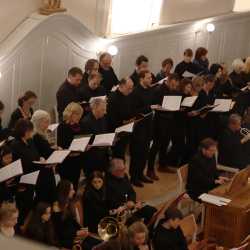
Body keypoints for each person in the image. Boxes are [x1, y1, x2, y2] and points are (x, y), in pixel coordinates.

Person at [148, 73, 181, 175]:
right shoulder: (159, 90)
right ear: (168, 80)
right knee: (156, 145)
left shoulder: (174, 90)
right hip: (159, 120)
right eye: (172, 85)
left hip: (170, 120)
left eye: (175, 85)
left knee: (165, 144)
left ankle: (162, 165)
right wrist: (163, 107)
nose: (174, 87)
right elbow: (153, 105)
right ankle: (150, 169)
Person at [106, 159, 157, 225]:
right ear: (113, 171)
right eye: (121, 170)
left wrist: (132, 201)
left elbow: (131, 191)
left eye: (124, 168)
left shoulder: (124, 176)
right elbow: (111, 202)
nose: (124, 171)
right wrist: (126, 205)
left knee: (152, 211)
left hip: (131, 205)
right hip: (119, 211)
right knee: (137, 223)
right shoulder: (107, 183)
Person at [53, 180, 100, 250]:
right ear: (65, 191)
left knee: (101, 243)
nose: (74, 191)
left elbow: (72, 222)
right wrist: (76, 233)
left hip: (75, 236)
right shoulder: (56, 207)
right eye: (71, 189)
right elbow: (60, 232)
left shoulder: (68, 204)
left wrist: (82, 229)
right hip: (67, 240)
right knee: (92, 247)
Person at [129, 70, 158, 186]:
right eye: (148, 78)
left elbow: (152, 105)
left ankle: (141, 173)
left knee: (145, 152)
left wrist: (154, 107)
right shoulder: (135, 92)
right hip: (138, 126)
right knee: (137, 152)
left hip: (149, 125)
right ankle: (134, 177)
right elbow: (134, 110)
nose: (151, 80)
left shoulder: (151, 90)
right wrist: (149, 107)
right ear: (141, 79)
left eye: (151, 78)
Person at [31, 110, 57, 204]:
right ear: (38, 122)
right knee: (45, 199)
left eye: (48, 122)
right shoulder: (36, 136)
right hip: (42, 172)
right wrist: (57, 152)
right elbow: (45, 152)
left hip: (47, 169)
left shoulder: (42, 134)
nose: (48, 124)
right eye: (46, 122)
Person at [57, 102, 84, 188]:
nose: (80, 117)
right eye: (78, 114)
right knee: (66, 185)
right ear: (71, 114)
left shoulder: (79, 126)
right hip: (66, 161)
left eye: (80, 114)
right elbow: (61, 145)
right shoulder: (62, 126)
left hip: (77, 159)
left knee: (75, 183)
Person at [81, 98, 110, 176]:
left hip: (102, 155)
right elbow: (86, 142)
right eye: (103, 110)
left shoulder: (103, 118)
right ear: (95, 108)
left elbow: (104, 133)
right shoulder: (86, 122)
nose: (105, 112)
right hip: (91, 158)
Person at [107, 77, 134, 159]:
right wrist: (124, 122)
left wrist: (131, 119)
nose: (130, 91)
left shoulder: (127, 96)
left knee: (122, 154)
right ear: (121, 86)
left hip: (125, 130)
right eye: (128, 88)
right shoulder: (113, 98)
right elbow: (111, 118)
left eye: (131, 88)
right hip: (115, 132)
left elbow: (129, 110)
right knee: (116, 156)